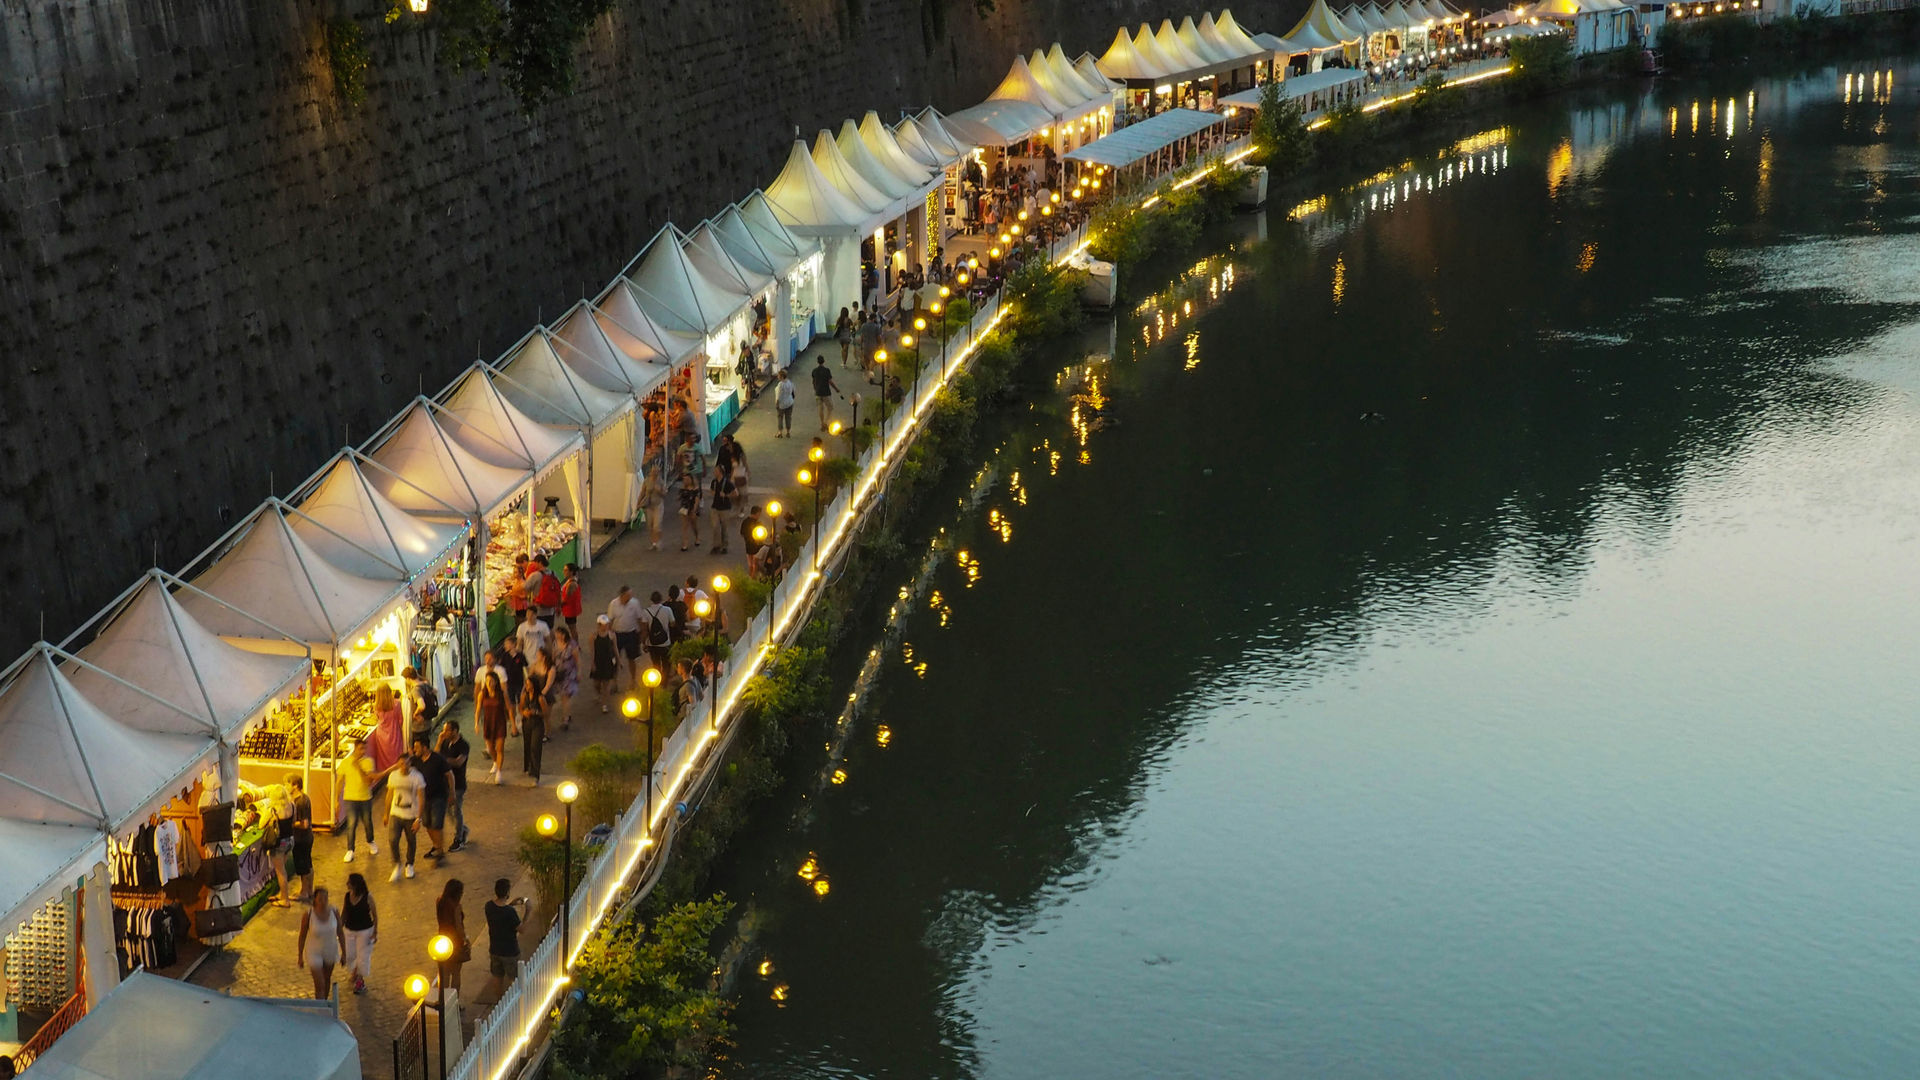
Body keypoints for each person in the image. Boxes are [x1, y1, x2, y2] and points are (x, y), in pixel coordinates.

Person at [482, 879, 529, 1003]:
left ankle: (499, 1001)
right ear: (507, 892)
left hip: (495, 949)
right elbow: (522, 929)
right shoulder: (510, 912)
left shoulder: (489, 906)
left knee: (497, 977)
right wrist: (527, 912)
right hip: (510, 951)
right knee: (514, 978)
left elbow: (500, 913)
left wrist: (510, 904)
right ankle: (516, 1002)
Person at [407, 734, 453, 863]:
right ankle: (436, 846)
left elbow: (449, 775)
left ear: (425, 747)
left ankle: (440, 851)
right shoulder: (416, 760)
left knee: (437, 825)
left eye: (417, 747)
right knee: (427, 824)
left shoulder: (437, 759)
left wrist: (452, 793)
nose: (414, 750)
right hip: (424, 799)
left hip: (438, 797)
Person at [379, 751, 424, 881]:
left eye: (406, 763)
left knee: (411, 840)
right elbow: (389, 795)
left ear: (410, 764)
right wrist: (386, 813)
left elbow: (422, 798)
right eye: (401, 763)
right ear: (398, 764)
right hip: (396, 813)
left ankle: (409, 864)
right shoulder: (393, 776)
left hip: (411, 814)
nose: (404, 766)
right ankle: (397, 864)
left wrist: (418, 819)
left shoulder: (417, 777)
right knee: (393, 840)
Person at [295, 887, 344, 1000]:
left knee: (327, 979)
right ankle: (320, 1009)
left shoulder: (334, 911)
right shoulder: (308, 915)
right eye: (320, 899)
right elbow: (302, 936)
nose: (323, 901)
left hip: (330, 950)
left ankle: (324, 1003)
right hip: (314, 952)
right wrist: (300, 956)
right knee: (320, 983)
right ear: (315, 900)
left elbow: (340, 932)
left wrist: (344, 953)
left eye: (326, 898)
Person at [338, 738, 376, 862]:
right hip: (350, 798)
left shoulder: (368, 762)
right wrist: (336, 800)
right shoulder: (345, 762)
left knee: (367, 822)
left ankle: (370, 841)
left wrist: (358, 766)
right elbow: (339, 781)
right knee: (351, 824)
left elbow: (368, 781)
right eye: (360, 749)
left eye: (364, 748)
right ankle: (350, 849)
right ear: (355, 748)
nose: (363, 751)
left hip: (365, 797)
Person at [340, 872, 378, 995]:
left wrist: (375, 932)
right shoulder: (347, 896)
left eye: (349, 882)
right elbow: (344, 913)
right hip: (350, 930)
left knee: (363, 956)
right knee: (350, 954)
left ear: (355, 885)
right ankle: (355, 970)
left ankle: (360, 981)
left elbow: (374, 914)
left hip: (365, 930)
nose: (347, 884)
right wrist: (339, 928)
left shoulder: (368, 897)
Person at [437, 718, 471, 851]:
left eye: (447, 730)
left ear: (454, 731)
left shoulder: (463, 745)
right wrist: (439, 741)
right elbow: (435, 754)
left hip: (458, 784)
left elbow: (458, 762)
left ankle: (459, 838)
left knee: (456, 811)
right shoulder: (445, 742)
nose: (444, 732)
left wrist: (443, 760)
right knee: (446, 810)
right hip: (445, 783)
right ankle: (462, 829)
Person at [476, 669, 510, 785]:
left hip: (500, 722)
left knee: (500, 748)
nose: (489, 683)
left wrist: (513, 724)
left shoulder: (502, 694)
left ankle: (499, 772)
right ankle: (495, 761)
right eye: (487, 681)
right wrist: (476, 723)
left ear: (496, 682)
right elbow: (478, 709)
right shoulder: (482, 694)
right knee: (490, 748)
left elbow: (509, 708)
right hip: (488, 723)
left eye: (491, 681)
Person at [436, 880, 469, 993]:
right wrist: (466, 940)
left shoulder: (439, 901)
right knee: (455, 973)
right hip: (455, 942)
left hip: (442, 939)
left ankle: (443, 1000)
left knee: (444, 973)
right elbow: (459, 926)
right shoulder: (456, 906)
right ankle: (454, 1001)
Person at [607, 585, 644, 686]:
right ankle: (614, 681)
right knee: (614, 659)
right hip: (617, 635)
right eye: (628, 596)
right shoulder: (613, 604)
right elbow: (610, 621)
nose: (630, 598)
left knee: (632, 658)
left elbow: (639, 618)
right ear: (622, 595)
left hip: (631, 634)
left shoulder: (635, 603)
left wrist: (641, 633)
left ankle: (633, 680)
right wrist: (609, 636)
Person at [285, 774, 314, 904]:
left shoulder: (300, 802)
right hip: (307, 837)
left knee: (303, 867)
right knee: (308, 864)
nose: (286, 786)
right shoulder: (304, 798)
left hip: (301, 839)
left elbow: (304, 823)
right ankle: (309, 890)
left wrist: (290, 824)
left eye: (287, 784)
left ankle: (303, 892)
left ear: (295, 785)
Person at [518, 673, 548, 786]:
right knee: (528, 746)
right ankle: (529, 767)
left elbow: (545, 713)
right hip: (527, 723)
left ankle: (536, 774)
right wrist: (523, 712)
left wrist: (535, 712)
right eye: (526, 684)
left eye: (528, 684)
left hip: (537, 724)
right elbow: (520, 707)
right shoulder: (524, 696)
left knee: (535, 747)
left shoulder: (540, 698)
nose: (527, 686)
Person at [552, 626, 580, 733]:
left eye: (558, 634)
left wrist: (579, 672)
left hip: (569, 674)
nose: (557, 636)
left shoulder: (572, 645)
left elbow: (577, 660)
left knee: (565, 696)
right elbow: (553, 657)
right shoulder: (555, 643)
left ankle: (565, 720)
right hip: (559, 673)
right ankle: (567, 714)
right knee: (563, 696)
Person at [641, 590, 674, 678]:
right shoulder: (667, 610)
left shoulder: (646, 612)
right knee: (666, 663)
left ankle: (657, 681)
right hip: (665, 642)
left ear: (651, 600)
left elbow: (644, 629)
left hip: (652, 643)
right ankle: (664, 682)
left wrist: (644, 643)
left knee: (655, 664)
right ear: (661, 599)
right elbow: (672, 623)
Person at [590, 615, 619, 713]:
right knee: (596, 683)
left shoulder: (612, 635)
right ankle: (599, 695)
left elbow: (615, 648)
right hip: (598, 661)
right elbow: (592, 651)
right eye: (604, 625)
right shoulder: (593, 636)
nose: (606, 626)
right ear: (599, 625)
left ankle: (604, 704)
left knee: (606, 684)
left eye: (607, 624)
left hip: (608, 662)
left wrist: (618, 661)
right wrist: (592, 663)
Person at [636, 467, 665, 551]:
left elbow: (664, 494)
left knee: (657, 525)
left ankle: (659, 541)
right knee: (650, 525)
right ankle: (654, 542)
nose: (654, 473)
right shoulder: (646, 481)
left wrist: (659, 491)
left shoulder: (661, 481)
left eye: (656, 472)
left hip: (658, 505)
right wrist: (638, 503)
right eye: (653, 472)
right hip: (649, 505)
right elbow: (642, 493)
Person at [708, 470, 736, 554]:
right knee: (715, 526)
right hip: (715, 507)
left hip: (725, 508)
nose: (714, 472)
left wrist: (726, 495)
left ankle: (724, 546)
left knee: (724, 527)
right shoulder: (714, 482)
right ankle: (716, 545)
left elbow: (735, 493)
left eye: (716, 471)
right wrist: (713, 493)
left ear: (720, 472)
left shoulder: (727, 482)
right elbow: (711, 490)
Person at [676, 468, 703, 551]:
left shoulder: (696, 489)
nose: (686, 481)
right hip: (684, 508)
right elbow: (679, 498)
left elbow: (697, 500)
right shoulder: (683, 489)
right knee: (685, 526)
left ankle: (697, 536)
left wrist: (694, 509)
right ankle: (685, 544)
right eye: (684, 479)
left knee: (693, 525)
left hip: (692, 509)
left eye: (687, 479)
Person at [812, 357, 838, 432]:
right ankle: (826, 423)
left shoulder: (814, 371)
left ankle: (822, 422)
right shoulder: (827, 370)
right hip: (826, 392)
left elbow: (813, 382)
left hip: (818, 392)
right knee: (830, 407)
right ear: (824, 361)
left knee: (820, 408)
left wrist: (815, 389)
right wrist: (836, 389)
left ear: (817, 361)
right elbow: (830, 381)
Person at [559, 562, 584, 639]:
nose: (564, 572)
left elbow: (566, 598)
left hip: (570, 610)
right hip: (570, 609)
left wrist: (558, 605)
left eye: (566, 570)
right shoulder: (571, 581)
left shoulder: (571, 584)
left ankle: (575, 645)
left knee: (572, 628)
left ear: (571, 572)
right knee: (572, 628)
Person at [775, 368, 796, 438]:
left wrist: (777, 404)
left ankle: (780, 432)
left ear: (781, 376)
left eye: (778, 376)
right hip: (790, 403)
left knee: (780, 417)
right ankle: (788, 432)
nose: (777, 377)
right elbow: (793, 391)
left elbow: (778, 396)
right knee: (788, 417)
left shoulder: (780, 384)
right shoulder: (789, 382)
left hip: (782, 404)